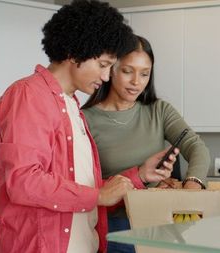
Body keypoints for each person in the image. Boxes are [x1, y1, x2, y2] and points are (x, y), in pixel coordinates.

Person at [0, 1, 177, 253]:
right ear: (75, 53)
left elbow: (82, 189)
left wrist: (140, 175)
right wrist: (98, 196)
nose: (105, 76)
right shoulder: (28, 96)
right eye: (102, 65)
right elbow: (23, 182)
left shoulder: (72, 107)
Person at [82, 35, 211, 253]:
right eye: (127, 71)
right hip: (114, 228)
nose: (136, 82)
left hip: (160, 222)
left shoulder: (159, 110)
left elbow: (197, 147)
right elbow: (84, 190)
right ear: (110, 69)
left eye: (144, 73)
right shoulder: (85, 120)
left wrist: (189, 190)